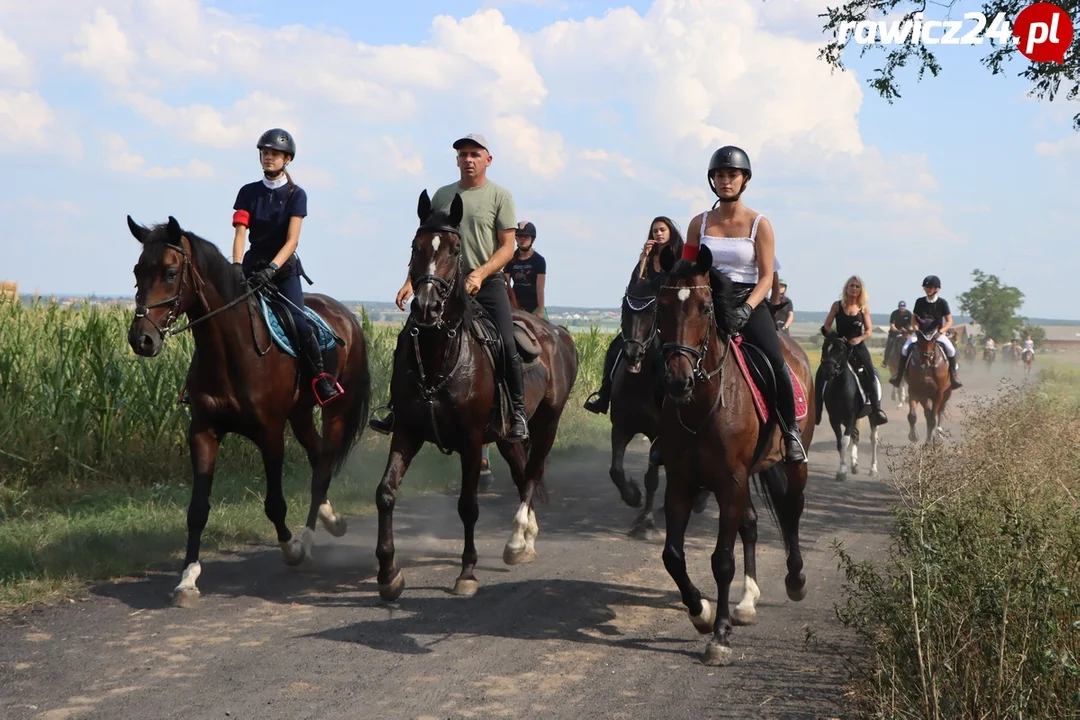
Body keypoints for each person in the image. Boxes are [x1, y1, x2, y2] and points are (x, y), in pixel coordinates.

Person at [369, 133, 528, 441]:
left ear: (488, 160)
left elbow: (507, 247)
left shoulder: (500, 196)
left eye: (474, 154)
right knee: (407, 339)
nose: (468, 159)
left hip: (487, 282)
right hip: (443, 286)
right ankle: (396, 410)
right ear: (456, 160)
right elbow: (426, 246)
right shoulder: (442, 196)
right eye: (463, 154)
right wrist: (409, 282)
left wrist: (480, 274)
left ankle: (517, 412)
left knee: (506, 345)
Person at [678, 145, 806, 463]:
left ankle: (790, 433)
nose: (725, 181)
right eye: (719, 175)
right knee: (670, 355)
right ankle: (661, 434)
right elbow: (686, 270)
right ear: (712, 180)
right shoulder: (699, 223)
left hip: (747, 303)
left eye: (731, 175)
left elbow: (766, 278)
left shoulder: (759, 224)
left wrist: (746, 308)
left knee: (776, 363)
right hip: (706, 305)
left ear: (744, 179)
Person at [232, 128, 342, 406]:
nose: (268, 157)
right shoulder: (248, 192)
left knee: (300, 324)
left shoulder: (296, 194)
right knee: (220, 315)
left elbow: (292, 240)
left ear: (287, 159)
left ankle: (320, 378)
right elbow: (240, 233)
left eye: (275, 154)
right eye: (265, 152)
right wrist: (235, 265)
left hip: (282, 270)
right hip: (250, 267)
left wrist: (271, 268)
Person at [583, 216, 684, 415]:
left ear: (670, 232)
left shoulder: (677, 259)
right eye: (655, 230)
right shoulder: (647, 259)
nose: (659, 233)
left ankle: (679, 405)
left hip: (668, 317)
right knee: (616, 348)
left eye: (662, 229)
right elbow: (635, 285)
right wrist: (644, 258)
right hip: (645, 317)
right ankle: (604, 396)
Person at [822, 276, 888, 425]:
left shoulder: (863, 307)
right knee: (823, 370)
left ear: (861, 290)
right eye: (851, 285)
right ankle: (817, 407)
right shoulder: (837, 305)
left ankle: (876, 410)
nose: (854, 288)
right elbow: (827, 325)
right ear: (846, 288)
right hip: (840, 346)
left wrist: (858, 339)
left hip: (857, 346)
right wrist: (836, 337)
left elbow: (869, 330)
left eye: (857, 286)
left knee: (870, 372)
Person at [890, 275, 962, 389]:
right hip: (921, 333)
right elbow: (914, 318)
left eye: (930, 287)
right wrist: (916, 329)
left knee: (951, 349)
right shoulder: (920, 301)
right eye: (926, 287)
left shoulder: (942, 303)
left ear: (937, 289)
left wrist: (941, 331)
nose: (927, 289)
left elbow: (949, 321)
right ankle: (899, 376)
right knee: (904, 349)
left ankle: (953, 377)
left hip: (936, 333)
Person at [504, 221, 546, 316]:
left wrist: (540, 310)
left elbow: (540, 288)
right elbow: (506, 284)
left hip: (534, 306)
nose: (522, 239)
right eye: (519, 236)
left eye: (526, 237)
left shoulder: (538, 260)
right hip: (515, 305)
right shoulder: (510, 259)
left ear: (532, 239)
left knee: (546, 329)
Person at [882, 300, 913, 366]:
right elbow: (892, 325)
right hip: (894, 332)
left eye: (903, 306)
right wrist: (897, 331)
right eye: (901, 306)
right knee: (889, 344)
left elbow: (910, 325)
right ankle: (885, 361)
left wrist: (906, 330)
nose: (902, 308)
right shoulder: (894, 313)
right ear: (898, 307)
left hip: (905, 332)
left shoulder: (909, 314)